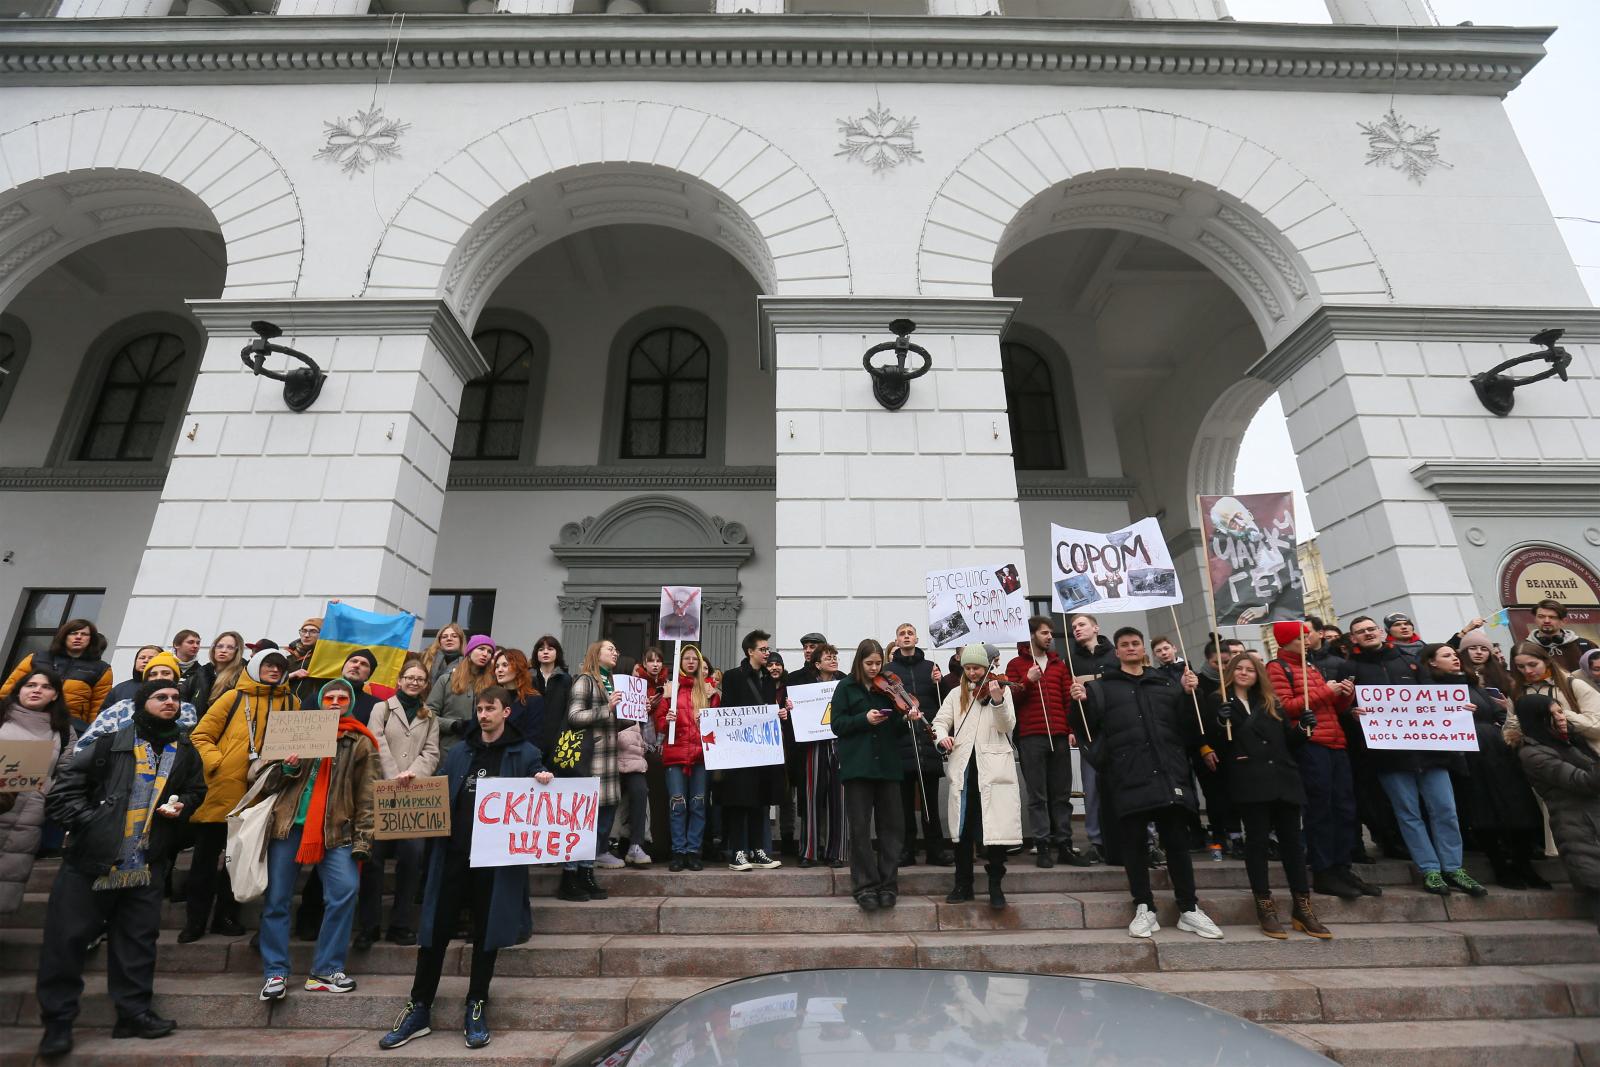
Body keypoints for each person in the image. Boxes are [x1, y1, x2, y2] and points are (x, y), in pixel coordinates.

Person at [35, 677, 205, 1056]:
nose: (170, 702)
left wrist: (182, 807)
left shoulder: (185, 750)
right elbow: (64, 792)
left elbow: (196, 790)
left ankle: (133, 1013)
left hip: (146, 861)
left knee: (138, 942)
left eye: (175, 698)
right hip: (92, 861)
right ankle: (58, 1022)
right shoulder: (110, 743)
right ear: (142, 703)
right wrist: (91, 824)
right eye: (161, 697)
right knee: (67, 942)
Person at [378, 686, 553, 1051]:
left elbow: (540, 781)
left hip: (494, 864)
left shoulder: (526, 753)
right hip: (452, 858)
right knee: (435, 934)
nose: (483, 715)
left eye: (491, 709)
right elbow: (439, 790)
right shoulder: (459, 752)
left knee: (486, 935)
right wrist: (414, 787)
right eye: (480, 709)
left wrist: (543, 779)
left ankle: (476, 1003)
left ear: (506, 712)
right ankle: (419, 1006)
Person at [1070, 627, 1219, 940]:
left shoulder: (1166, 683)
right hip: (1127, 775)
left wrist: (1194, 695)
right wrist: (1080, 703)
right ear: (1118, 651)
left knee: (1176, 843)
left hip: (1167, 773)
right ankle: (1144, 906)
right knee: (1133, 846)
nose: (1130, 648)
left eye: (1135, 643)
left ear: (1143, 648)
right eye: (1124, 644)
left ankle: (1189, 908)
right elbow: (1086, 727)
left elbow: (1190, 727)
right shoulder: (1102, 688)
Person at [255, 678, 379, 1002]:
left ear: (350, 703)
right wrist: (286, 767)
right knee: (277, 899)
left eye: (342, 697)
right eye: (330, 697)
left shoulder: (360, 741)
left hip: (337, 830)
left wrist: (364, 840)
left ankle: (325, 970)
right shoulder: (297, 730)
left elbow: (368, 797)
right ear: (320, 702)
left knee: (344, 891)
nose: (336, 702)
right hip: (288, 827)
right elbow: (262, 782)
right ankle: (275, 972)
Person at [1210, 651, 1330, 940]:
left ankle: (1303, 907)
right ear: (1231, 672)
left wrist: (1303, 727)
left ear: (1258, 674)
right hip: (1249, 781)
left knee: (1292, 845)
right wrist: (1218, 722)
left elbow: (1288, 742)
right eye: (1239, 668)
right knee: (1257, 844)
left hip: (1283, 780)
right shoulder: (1219, 701)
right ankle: (1265, 906)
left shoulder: (1271, 702)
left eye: (1250, 669)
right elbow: (1216, 746)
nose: (1244, 673)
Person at [181, 647, 297, 943]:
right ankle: (195, 920)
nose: (274, 670)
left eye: (279, 667)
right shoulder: (233, 697)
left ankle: (225, 916)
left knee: (239, 861)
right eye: (269, 665)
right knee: (205, 860)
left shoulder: (292, 702)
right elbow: (201, 735)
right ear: (257, 666)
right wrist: (216, 762)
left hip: (261, 794)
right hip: (222, 789)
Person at [1358, 644, 1486, 897]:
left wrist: (1459, 710)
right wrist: (1356, 711)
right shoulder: (1356, 668)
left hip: (1431, 754)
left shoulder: (1412, 667)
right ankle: (1430, 869)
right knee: (1409, 814)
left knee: (1445, 810)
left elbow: (1436, 698)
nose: (1369, 634)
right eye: (1362, 631)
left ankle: (1453, 867)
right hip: (1391, 757)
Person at [1268, 620, 1369, 900]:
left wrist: (1344, 697)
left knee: (1344, 807)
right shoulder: (1278, 668)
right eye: (1300, 636)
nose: (1307, 639)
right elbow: (1286, 706)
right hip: (1312, 744)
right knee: (1321, 808)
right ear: (1286, 641)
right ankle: (1323, 869)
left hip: (1335, 741)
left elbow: (1325, 704)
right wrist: (1327, 691)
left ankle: (1342, 865)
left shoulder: (1310, 666)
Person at [1447, 636, 1547, 889]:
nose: (1456, 660)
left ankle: (1524, 863)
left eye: (1484, 648)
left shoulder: (1485, 683)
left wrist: (1504, 713)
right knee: (1484, 810)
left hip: (1499, 750)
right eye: (1449, 656)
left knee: (1515, 807)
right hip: (1470, 755)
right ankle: (1501, 866)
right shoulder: (1441, 687)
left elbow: (1501, 715)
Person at [356, 660, 442, 950]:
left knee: (412, 857)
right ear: (400, 680)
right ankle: (369, 925)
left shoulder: (429, 715)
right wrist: (394, 775)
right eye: (410, 677)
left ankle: (400, 924)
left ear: (425, 684)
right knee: (374, 860)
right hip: (381, 791)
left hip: (413, 795)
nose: (414, 682)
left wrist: (414, 774)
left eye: (420, 679)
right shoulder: (382, 708)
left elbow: (432, 751)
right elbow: (375, 741)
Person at [934, 643, 1019, 909]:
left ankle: (996, 886)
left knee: (994, 832)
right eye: (968, 668)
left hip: (992, 769)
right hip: (965, 770)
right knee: (963, 831)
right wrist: (942, 738)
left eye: (977, 668)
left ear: (987, 667)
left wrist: (997, 701)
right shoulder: (954, 694)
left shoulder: (1000, 690)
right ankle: (963, 884)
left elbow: (1007, 726)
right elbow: (939, 722)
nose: (972, 673)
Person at [1509, 694, 1600, 934]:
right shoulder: (1533, 754)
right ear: (1540, 718)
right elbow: (1585, 782)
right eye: (1555, 713)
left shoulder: (1569, 741)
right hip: (1582, 832)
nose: (1562, 717)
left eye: (1561, 711)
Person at [1006, 615, 1090, 868]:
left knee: (1061, 794)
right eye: (1044, 633)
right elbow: (1010, 699)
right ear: (1032, 635)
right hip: (1031, 737)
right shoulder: (1015, 664)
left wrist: (1071, 728)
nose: (1049, 637)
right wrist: (1027, 681)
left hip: (1059, 736)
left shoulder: (1058, 665)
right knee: (1038, 795)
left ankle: (1063, 843)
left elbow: (1067, 700)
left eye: (1050, 633)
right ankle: (1042, 845)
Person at [831, 638, 908, 911]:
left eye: (878, 663)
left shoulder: (888, 688)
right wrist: (864, 719)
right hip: (858, 768)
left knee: (892, 829)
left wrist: (905, 719)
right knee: (861, 829)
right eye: (870, 663)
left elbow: (897, 730)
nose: (875, 668)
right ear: (859, 662)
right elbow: (837, 725)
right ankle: (865, 886)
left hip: (887, 767)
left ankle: (888, 885)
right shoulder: (845, 687)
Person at [557, 640, 632, 901]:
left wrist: (632, 715)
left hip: (608, 762)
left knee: (601, 822)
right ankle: (570, 876)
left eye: (615, 649)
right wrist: (606, 708)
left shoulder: (611, 681)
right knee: (583, 822)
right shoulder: (585, 681)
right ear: (595, 654)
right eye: (610, 649)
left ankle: (586, 873)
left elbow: (610, 721)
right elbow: (574, 716)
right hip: (589, 763)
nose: (615, 652)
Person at [0, 669, 76, 915]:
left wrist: (48, 790)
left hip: (28, 816)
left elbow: (67, 770)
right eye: (30, 684)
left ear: (55, 695)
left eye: (45, 687)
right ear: (18, 689)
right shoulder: (2, 716)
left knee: (7, 875)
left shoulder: (63, 730)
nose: (36, 690)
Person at [718, 630, 792, 871]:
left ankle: (758, 850)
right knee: (741, 800)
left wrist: (780, 713)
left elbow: (770, 710)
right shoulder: (732, 677)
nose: (767, 653)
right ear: (750, 651)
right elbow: (728, 711)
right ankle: (738, 851)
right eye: (763, 649)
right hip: (740, 749)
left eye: (768, 649)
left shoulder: (769, 680)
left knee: (762, 800)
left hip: (763, 749)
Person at [882, 623, 948, 868]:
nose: (907, 636)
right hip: (901, 744)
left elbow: (942, 704)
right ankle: (905, 851)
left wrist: (939, 684)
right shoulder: (888, 671)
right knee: (904, 805)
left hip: (926, 741)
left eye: (910, 633)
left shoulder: (931, 668)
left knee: (931, 801)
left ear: (917, 638)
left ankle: (936, 850)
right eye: (902, 634)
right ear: (896, 641)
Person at [657, 644, 717, 871]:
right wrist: (668, 717)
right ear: (680, 662)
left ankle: (694, 851)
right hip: (676, 756)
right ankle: (678, 851)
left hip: (701, 756)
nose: (691, 662)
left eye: (694, 658)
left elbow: (717, 727)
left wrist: (708, 718)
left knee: (699, 804)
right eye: (686, 658)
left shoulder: (708, 691)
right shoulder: (671, 690)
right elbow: (660, 724)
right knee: (677, 805)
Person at [1065, 613, 1118, 863]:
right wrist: (1069, 727)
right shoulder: (1071, 659)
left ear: (1096, 627)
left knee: (1128, 783)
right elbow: (1066, 697)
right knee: (1092, 789)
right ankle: (1096, 840)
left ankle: (1145, 839)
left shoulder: (1115, 655)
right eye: (1074, 626)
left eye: (1082, 624)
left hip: (1118, 729)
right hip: (1088, 731)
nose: (1076, 629)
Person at [790, 643, 848, 869]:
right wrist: (792, 707)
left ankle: (837, 852)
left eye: (835, 656)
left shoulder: (845, 682)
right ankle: (809, 851)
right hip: (813, 745)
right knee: (812, 796)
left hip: (839, 745)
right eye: (828, 657)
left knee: (839, 800)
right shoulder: (804, 684)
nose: (833, 660)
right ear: (817, 663)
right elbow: (796, 711)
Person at [74, 651, 199, 753]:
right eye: (152, 674)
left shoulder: (186, 711)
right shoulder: (122, 707)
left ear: (175, 679)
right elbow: (86, 744)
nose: (159, 677)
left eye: (166, 673)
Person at [2, 618, 112, 730]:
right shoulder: (37, 658)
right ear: (64, 636)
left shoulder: (101, 669)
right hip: (25, 720)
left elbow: (98, 707)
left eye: (84, 634)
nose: (78, 637)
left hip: (71, 726)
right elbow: (9, 690)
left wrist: (91, 732)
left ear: (91, 639)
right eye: (73, 633)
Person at [1509, 641, 1600, 746]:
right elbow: (1509, 732)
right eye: (1520, 666)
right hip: (1544, 757)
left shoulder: (1572, 684)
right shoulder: (1516, 692)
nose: (1527, 671)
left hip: (1584, 755)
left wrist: (1559, 714)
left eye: (1533, 664)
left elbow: (1597, 726)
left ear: (1546, 661)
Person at [427, 635, 495, 752]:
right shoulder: (446, 680)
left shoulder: (493, 685)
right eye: (481, 648)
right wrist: (453, 725)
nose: (485, 654)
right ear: (469, 651)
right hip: (447, 749)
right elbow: (428, 714)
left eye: (489, 652)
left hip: (481, 749)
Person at [491, 649, 545, 752]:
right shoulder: (491, 697)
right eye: (497, 666)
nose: (499, 670)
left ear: (518, 668)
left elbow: (534, 739)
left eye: (505, 665)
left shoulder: (534, 700)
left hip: (516, 759)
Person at [1529, 599, 1598, 673]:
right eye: (1541, 616)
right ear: (1535, 619)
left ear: (1563, 621)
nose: (1546, 621)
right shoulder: (1526, 648)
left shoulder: (1586, 646)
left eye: (1552, 617)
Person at [530, 635, 571, 759]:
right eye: (541, 649)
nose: (545, 652)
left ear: (557, 653)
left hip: (558, 737)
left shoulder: (565, 679)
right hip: (531, 736)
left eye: (550, 649)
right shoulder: (528, 677)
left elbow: (568, 710)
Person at [99, 645, 162, 711]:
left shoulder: (167, 688)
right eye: (142, 658)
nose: (146, 661)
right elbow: (103, 714)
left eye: (151, 658)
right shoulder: (120, 688)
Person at [201, 632, 247, 706]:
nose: (223, 650)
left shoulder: (241, 677)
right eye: (220, 646)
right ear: (214, 649)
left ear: (237, 651)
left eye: (230, 647)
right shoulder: (202, 672)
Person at [420, 623, 466, 688]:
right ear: (439, 641)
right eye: (444, 637)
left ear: (461, 641)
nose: (449, 639)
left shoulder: (467, 663)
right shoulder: (427, 657)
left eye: (454, 636)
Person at [171, 629, 207, 709]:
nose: (195, 646)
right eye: (190, 642)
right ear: (176, 645)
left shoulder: (202, 672)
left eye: (198, 643)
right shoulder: (163, 666)